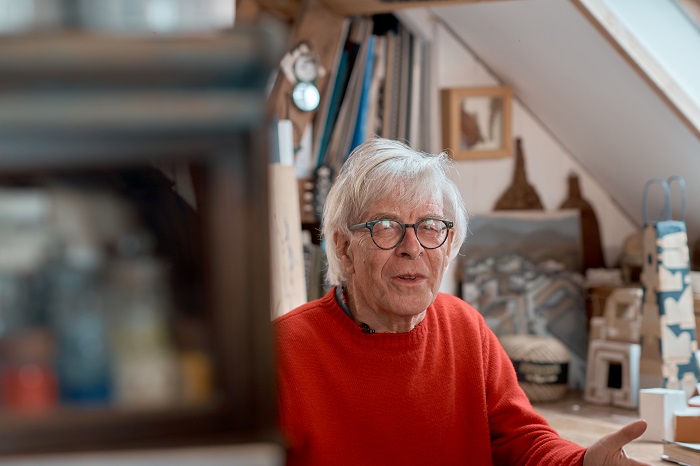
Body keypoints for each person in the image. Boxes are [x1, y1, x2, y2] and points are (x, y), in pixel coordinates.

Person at [273, 137, 650, 466]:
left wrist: (582, 462)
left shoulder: (465, 327)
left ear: (449, 242)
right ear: (343, 247)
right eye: (386, 226)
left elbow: (523, 442)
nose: (412, 248)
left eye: (430, 226)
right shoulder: (280, 352)